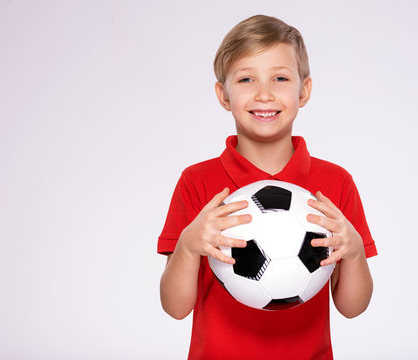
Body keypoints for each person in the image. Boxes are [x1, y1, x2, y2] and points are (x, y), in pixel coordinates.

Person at [158, 14, 377, 360]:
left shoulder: (335, 184)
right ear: (223, 95)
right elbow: (175, 308)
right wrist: (187, 246)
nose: (264, 94)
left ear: (303, 90)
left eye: (279, 78)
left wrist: (355, 251)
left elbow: (352, 307)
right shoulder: (197, 182)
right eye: (246, 79)